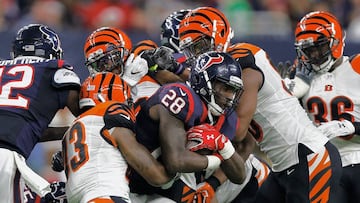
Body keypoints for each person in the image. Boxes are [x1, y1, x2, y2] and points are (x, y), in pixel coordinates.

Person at [227, 41, 342, 202]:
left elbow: (238, 131)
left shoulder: (246, 66)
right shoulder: (250, 68)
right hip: (285, 163)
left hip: (308, 157)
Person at [128, 51, 246, 202]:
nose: (230, 97)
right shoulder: (180, 97)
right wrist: (214, 161)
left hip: (168, 182)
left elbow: (239, 176)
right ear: (202, 81)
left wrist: (223, 144)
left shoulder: (224, 118)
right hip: (135, 181)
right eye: (226, 88)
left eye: (234, 91)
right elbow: (175, 161)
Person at [282, 11, 360, 203]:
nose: (315, 55)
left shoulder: (357, 67)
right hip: (325, 166)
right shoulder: (300, 77)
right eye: (309, 50)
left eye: (320, 47)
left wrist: (353, 127)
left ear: (336, 42)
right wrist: (285, 96)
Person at [63, 72, 174, 203]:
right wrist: (175, 169)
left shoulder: (72, 130)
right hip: (105, 195)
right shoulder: (109, 111)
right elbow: (155, 176)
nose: (128, 105)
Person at [0, 23, 81, 202]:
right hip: (4, 157)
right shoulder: (55, 69)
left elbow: (26, 124)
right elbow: (90, 120)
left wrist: (66, 131)